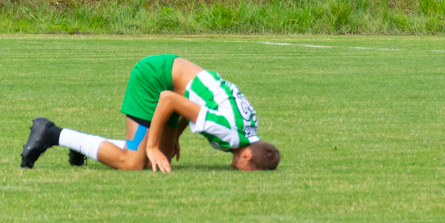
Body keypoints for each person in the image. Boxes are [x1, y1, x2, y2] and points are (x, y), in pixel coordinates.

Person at [19, 54, 281, 172]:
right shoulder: (230, 134)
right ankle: (51, 133)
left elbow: (191, 105)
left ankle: (86, 145)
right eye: (249, 170)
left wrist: (172, 137)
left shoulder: (249, 127)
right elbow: (169, 99)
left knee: (160, 158)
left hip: (173, 81)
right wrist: (153, 145)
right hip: (154, 78)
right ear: (247, 155)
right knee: (135, 162)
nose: (241, 172)